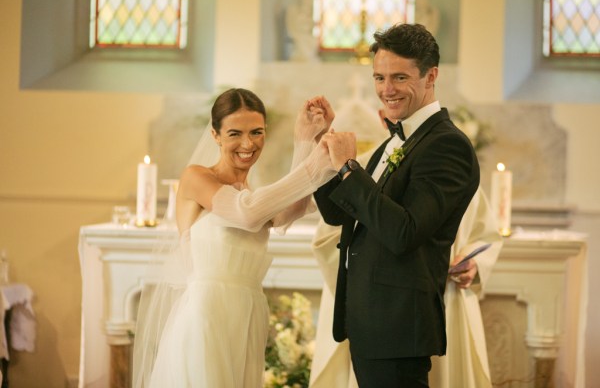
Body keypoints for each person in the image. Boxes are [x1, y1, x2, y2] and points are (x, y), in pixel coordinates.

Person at [132, 88, 336, 388]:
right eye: (234, 133)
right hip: (207, 316)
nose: (247, 143)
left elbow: (291, 209)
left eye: (256, 132)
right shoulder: (197, 178)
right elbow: (248, 215)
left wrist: (306, 139)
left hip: (247, 316)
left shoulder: (252, 195)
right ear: (215, 135)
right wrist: (315, 164)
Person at [313, 23, 480, 387]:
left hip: (398, 326)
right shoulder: (399, 137)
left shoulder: (447, 146)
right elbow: (339, 214)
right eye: (379, 77)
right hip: (369, 323)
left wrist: (347, 167)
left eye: (399, 77)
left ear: (431, 76)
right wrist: (319, 146)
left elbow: (404, 232)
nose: (386, 90)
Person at [309, 185, 503, 388]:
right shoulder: (367, 169)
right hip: (387, 306)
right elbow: (330, 237)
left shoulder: (453, 166)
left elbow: (485, 235)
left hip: (450, 296)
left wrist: (474, 263)